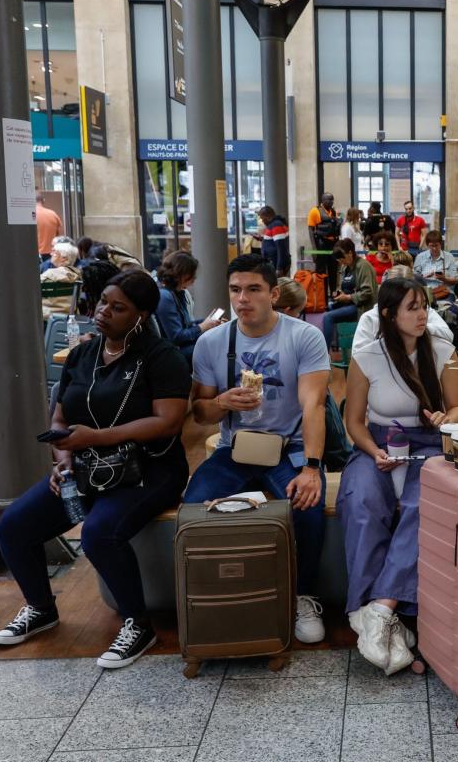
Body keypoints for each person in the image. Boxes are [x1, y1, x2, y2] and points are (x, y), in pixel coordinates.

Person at [0, 271, 191, 668]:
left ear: (142, 315)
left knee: (100, 533)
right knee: (12, 527)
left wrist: (94, 440)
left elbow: (168, 421)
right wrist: (63, 459)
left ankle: (139, 624)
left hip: (151, 471)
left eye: (118, 308)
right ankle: (41, 608)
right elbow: (61, 416)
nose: (103, 313)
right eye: (102, 302)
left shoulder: (161, 356)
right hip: (86, 468)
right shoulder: (83, 354)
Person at [184, 254, 332, 645]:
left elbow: (313, 405)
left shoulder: (303, 336)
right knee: (196, 504)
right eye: (235, 290)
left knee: (308, 503)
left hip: (291, 446)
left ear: (274, 293)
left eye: (253, 289)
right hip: (236, 447)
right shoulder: (213, 342)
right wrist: (223, 404)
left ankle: (304, 594)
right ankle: (215, 596)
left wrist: (313, 468)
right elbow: (199, 413)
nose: (243, 299)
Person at [339, 278, 458, 673]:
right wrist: (373, 451)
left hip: (428, 444)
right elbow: (353, 422)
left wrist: (446, 418)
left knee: (421, 505)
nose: (423, 314)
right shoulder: (367, 355)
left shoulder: (442, 350)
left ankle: (381, 607)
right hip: (375, 443)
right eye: (412, 307)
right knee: (361, 501)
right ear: (389, 314)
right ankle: (371, 609)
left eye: (424, 306)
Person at [353, 265, 454, 353]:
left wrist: (421, 327)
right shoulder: (370, 318)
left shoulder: (423, 310)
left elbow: (448, 335)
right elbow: (358, 355)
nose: (401, 297)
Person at [155, 251, 223, 364]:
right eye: (191, 275)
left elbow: (185, 324)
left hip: (179, 348)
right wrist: (202, 327)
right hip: (171, 353)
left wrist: (208, 322)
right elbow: (176, 337)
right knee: (217, 346)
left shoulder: (177, 292)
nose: (194, 279)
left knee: (218, 340)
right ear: (182, 274)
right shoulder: (165, 296)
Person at [322, 240, 379, 353]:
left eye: (341, 258)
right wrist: (338, 293)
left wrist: (348, 297)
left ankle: (323, 353)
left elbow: (368, 292)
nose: (340, 261)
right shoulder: (345, 267)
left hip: (360, 307)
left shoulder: (363, 266)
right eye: (338, 259)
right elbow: (344, 286)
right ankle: (335, 345)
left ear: (350, 253)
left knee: (327, 317)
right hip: (347, 303)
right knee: (326, 308)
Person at [40, 240, 83, 319]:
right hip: (71, 316)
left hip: (46, 318)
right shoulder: (77, 276)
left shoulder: (47, 276)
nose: (51, 254)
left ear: (63, 258)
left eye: (55, 252)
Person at [412, 230, 458, 295]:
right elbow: (414, 278)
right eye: (431, 246)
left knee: (446, 304)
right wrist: (423, 277)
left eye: (436, 245)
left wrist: (444, 279)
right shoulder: (420, 257)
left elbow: (455, 280)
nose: (434, 248)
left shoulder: (449, 257)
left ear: (440, 244)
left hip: (444, 292)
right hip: (425, 292)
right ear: (427, 245)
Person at [307, 193, 341, 275]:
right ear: (323, 200)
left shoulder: (333, 211)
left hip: (333, 243)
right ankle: (321, 288)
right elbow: (311, 230)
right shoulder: (315, 211)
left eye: (332, 200)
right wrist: (314, 249)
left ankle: (333, 288)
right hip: (321, 244)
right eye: (329, 200)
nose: (331, 202)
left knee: (333, 269)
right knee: (321, 271)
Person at [255, 205, 291, 276]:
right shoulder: (274, 225)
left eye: (263, 218)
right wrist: (262, 239)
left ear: (268, 216)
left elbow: (281, 247)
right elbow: (274, 241)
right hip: (273, 263)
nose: (262, 221)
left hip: (276, 263)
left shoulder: (276, 226)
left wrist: (279, 268)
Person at [35, 194, 63, 261]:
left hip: (36, 254)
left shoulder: (30, 214)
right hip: (51, 254)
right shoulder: (53, 214)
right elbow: (58, 235)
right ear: (43, 201)